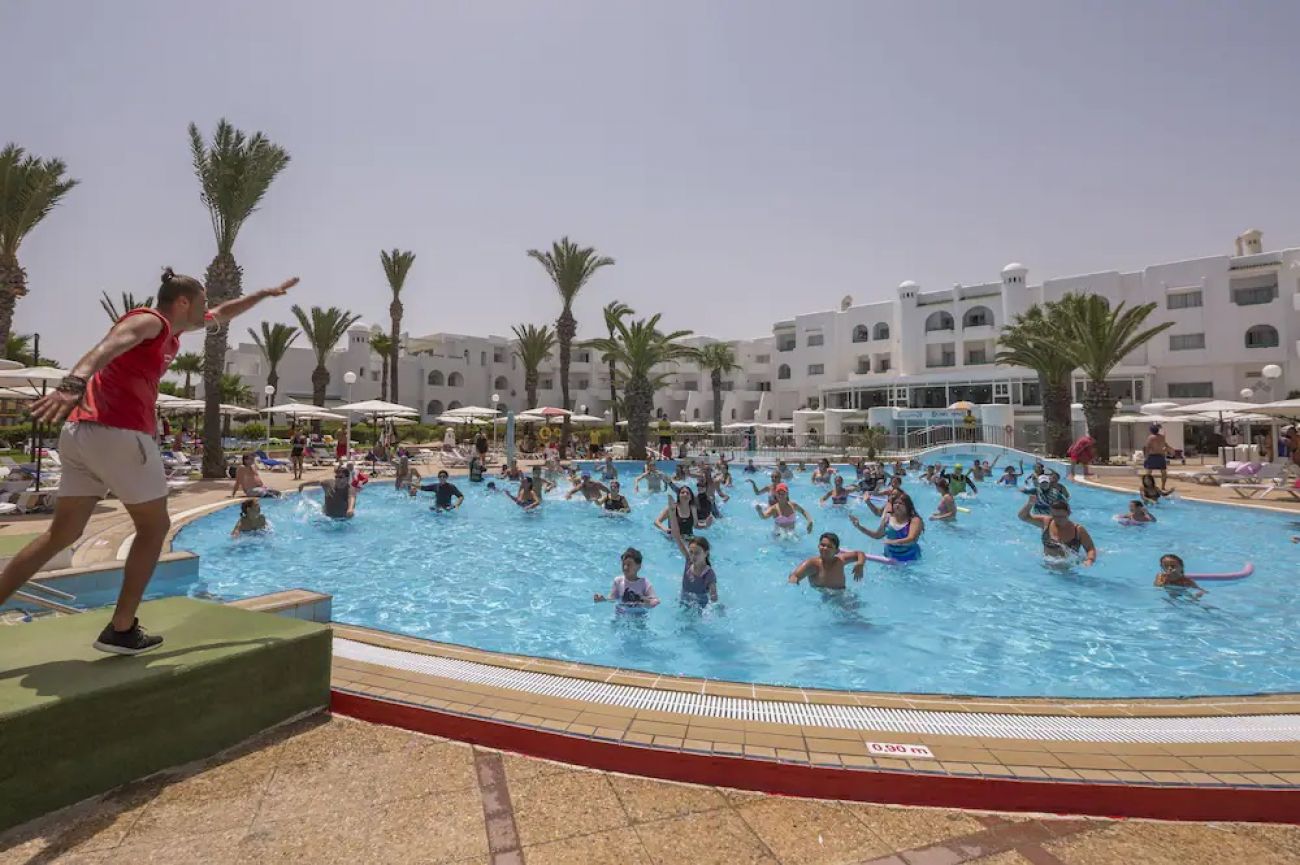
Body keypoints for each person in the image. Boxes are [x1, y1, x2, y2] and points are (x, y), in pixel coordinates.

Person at [0, 267, 296, 655]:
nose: (208, 308)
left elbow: (224, 312)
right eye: (203, 300)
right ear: (183, 302)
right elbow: (111, 343)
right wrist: (73, 382)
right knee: (155, 527)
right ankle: (121, 628)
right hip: (119, 434)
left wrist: (262, 294)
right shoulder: (151, 321)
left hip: (80, 434)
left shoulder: (173, 330)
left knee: (62, 535)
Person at [1018, 495, 1096, 565]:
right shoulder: (1047, 522)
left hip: (1068, 567)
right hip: (1046, 564)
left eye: (1061, 516)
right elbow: (1023, 517)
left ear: (1068, 513)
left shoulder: (1078, 530)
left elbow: (1090, 548)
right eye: (1055, 516)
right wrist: (1029, 504)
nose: (1058, 519)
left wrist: (1089, 560)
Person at [850, 494, 923, 561]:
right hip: (890, 556)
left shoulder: (914, 520)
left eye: (901, 503)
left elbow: (911, 539)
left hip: (910, 557)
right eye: (895, 503)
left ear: (908, 506)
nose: (897, 505)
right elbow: (877, 535)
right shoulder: (887, 518)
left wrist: (893, 542)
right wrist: (859, 526)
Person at [668, 516, 718, 607]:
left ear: (706, 553)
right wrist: (672, 512)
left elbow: (714, 596)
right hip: (684, 601)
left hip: (700, 607)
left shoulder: (708, 574)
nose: (693, 556)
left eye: (697, 553)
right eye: (691, 552)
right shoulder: (689, 560)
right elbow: (677, 537)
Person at [788, 532, 865, 589]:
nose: (825, 548)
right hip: (821, 597)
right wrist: (794, 584)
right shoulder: (812, 564)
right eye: (822, 545)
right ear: (818, 546)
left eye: (829, 546)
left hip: (842, 593)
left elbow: (860, 553)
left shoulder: (840, 561)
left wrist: (860, 564)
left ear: (837, 551)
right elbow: (794, 576)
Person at [594, 547, 660, 610]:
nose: (625, 568)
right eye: (623, 564)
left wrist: (646, 601)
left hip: (638, 616)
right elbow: (612, 598)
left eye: (629, 565)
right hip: (620, 614)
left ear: (638, 566)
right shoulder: (618, 581)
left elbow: (656, 601)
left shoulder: (644, 583)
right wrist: (603, 599)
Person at [1143, 424, 1172, 489]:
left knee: (1148, 473)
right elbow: (1165, 445)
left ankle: (1147, 486)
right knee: (1163, 472)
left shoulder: (1150, 437)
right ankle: (1163, 486)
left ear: (1151, 431)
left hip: (1152, 456)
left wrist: (1146, 457)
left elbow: (1147, 447)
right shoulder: (1162, 437)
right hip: (1161, 456)